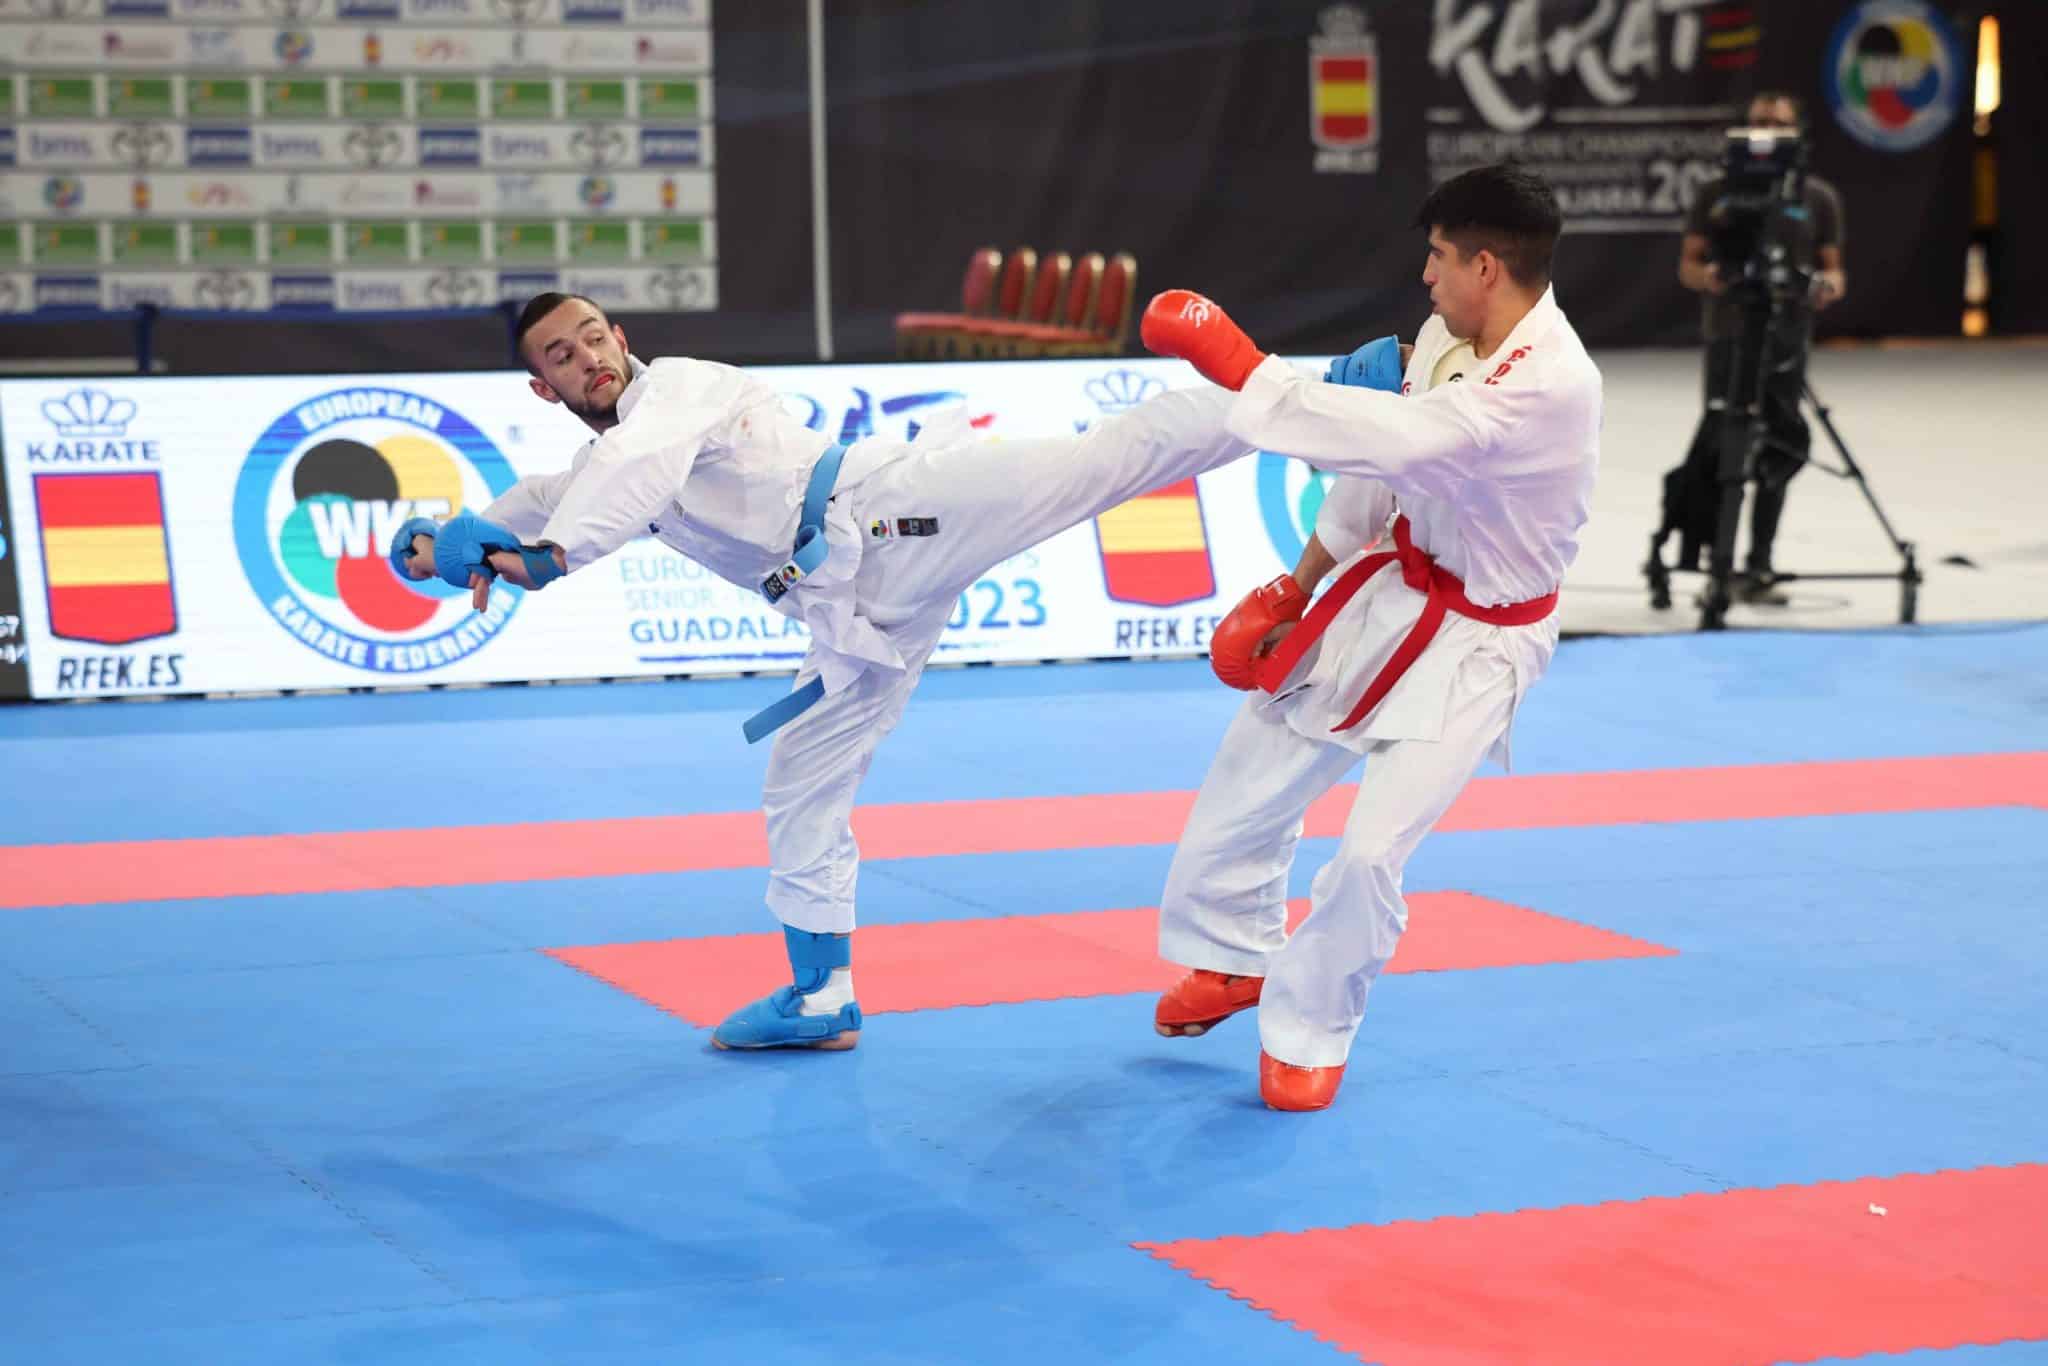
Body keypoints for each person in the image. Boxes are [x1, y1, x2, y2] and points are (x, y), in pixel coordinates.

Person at [391, 292, 1254, 1052]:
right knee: (801, 778)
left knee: (1103, 461)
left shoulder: (677, 391)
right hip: (853, 613)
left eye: (592, 337)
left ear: (621, 338)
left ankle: (1296, 392)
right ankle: (820, 997)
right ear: (545, 389)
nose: (586, 358)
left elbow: (623, 474)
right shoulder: (597, 469)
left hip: (895, 512)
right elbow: (529, 506)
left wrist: (551, 556)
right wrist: (437, 546)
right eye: (561, 356)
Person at [1137, 163, 1601, 1112]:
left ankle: (1310, 1028)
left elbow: (1408, 441)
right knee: (1251, 769)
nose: (1425, 275)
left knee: (1368, 854)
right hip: (1390, 591)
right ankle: (1232, 955)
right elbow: (1372, 482)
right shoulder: (1441, 340)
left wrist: (1243, 365)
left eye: (1438, 257)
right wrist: (1295, 586)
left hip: (1480, 643)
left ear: (1484, 265)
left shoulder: (1550, 385)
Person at [1672, 90, 1847, 605]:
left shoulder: (1818, 198)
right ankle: (1716, 565)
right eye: (1759, 122)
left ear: (1797, 133)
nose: (1768, 131)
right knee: (1722, 447)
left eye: (1779, 123)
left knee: (1781, 445)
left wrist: (1826, 286)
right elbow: (1688, 265)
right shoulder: (1715, 193)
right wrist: (1709, 276)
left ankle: (1760, 563)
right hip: (1729, 336)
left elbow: (1834, 269)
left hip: (1786, 342)